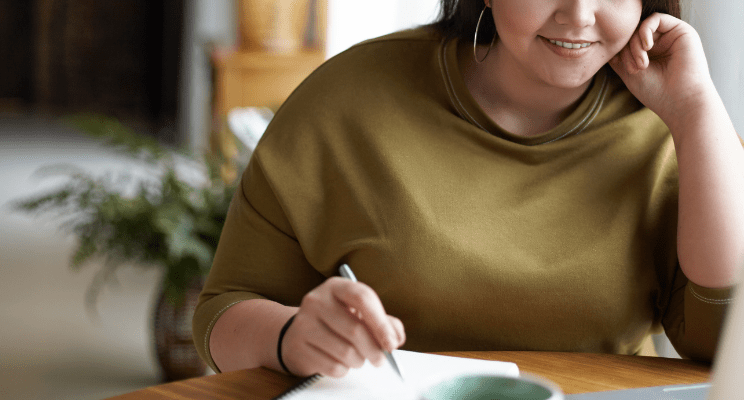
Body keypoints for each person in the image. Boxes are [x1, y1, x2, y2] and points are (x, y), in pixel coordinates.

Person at [193, 0, 744, 378]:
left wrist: (697, 114)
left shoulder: (674, 122)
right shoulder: (344, 102)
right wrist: (291, 336)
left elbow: (725, 343)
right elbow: (222, 312)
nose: (578, 14)